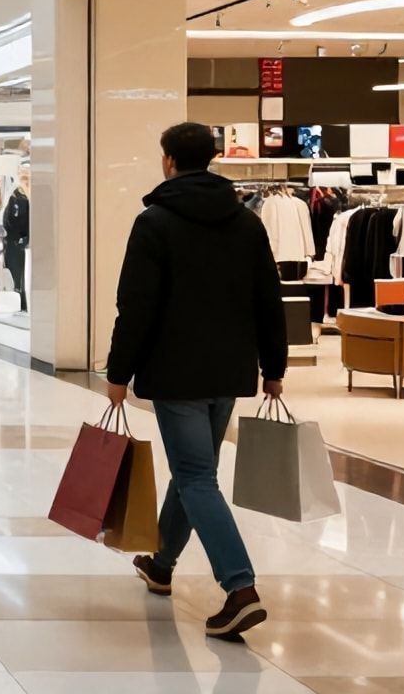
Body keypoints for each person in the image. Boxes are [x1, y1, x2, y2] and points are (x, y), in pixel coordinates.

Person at [110, 122, 286, 640]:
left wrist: (118, 372)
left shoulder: (155, 222)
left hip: (176, 370)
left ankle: (240, 587)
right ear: (212, 158)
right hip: (229, 371)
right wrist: (273, 367)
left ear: (168, 161)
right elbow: (268, 302)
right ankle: (162, 563)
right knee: (196, 470)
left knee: (195, 476)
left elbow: (135, 307)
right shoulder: (246, 223)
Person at [3, 177, 30, 311]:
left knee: (16, 273)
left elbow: (8, 223)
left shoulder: (18, 200)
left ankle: (20, 301)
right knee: (17, 274)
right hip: (16, 242)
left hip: (14, 243)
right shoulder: (18, 200)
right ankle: (21, 301)